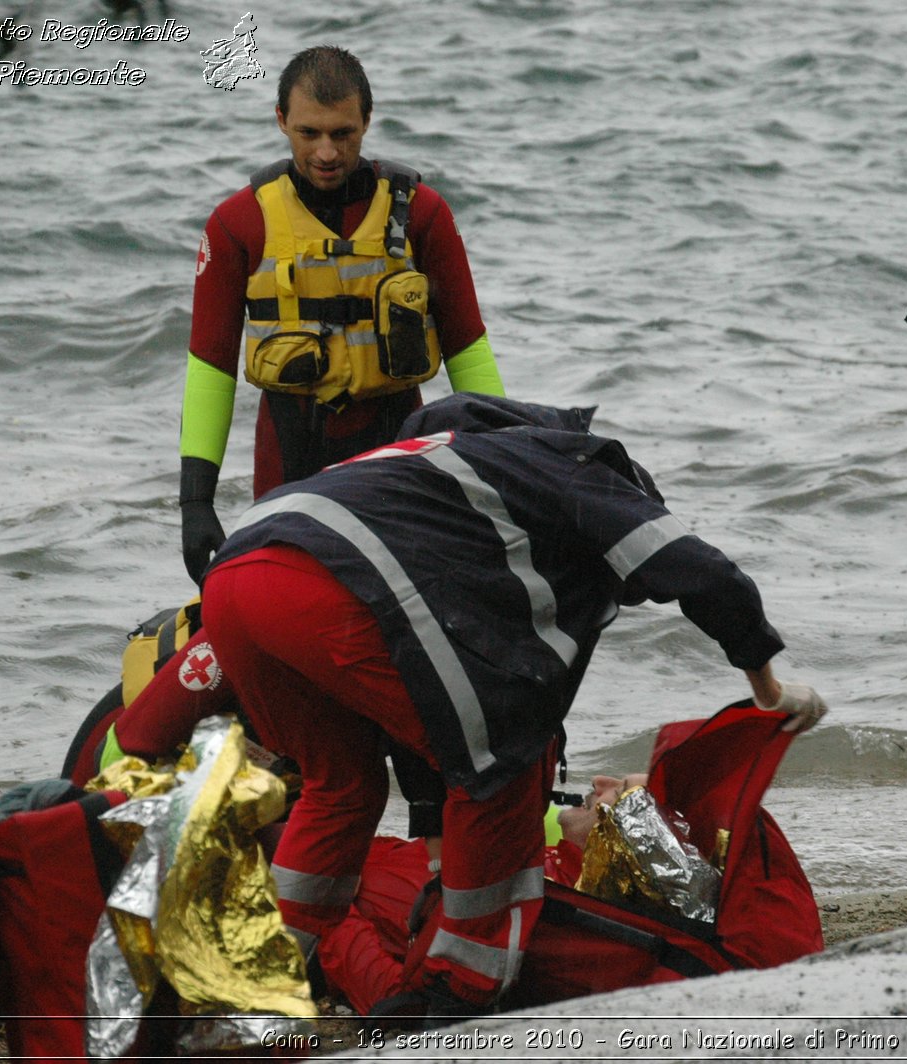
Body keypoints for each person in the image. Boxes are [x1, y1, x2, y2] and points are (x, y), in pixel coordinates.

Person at [195, 392, 827, 1010]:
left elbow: (430, 708)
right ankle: (455, 990)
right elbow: (697, 569)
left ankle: (257, 979)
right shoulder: (581, 468)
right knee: (505, 760)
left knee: (343, 789)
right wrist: (769, 689)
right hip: (338, 585)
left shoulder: (428, 462)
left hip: (234, 574)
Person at [179, 45, 506, 583]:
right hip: (290, 450)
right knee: (294, 597)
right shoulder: (238, 223)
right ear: (281, 120)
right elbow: (210, 366)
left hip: (397, 443)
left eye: (343, 133)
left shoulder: (422, 212)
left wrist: (504, 468)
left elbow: (468, 350)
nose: (327, 152)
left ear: (367, 121)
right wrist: (195, 501)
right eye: (310, 133)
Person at [314, 774, 644, 1014]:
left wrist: (329, 908)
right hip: (328, 855)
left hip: (308, 918)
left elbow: (398, 1002)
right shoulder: (543, 857)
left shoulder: (557, 920)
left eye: (618, 790)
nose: (600, 781)